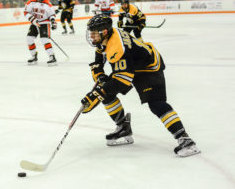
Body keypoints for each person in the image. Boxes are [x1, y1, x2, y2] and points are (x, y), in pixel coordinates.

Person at [81, 14, 200, 157]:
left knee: (156, 104)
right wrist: (100, 75)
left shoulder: (117, 47)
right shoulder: (107, 37)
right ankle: (123, 128)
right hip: (132, 65)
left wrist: (97, 95)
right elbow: (99, 58)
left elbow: (123, 80)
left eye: (94, 33)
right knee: (107, 93)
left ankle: (186, 140)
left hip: (148, 66)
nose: (91, 36)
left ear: (104, 32)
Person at [24, 0, 57, 66]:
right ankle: (34, 56)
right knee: (29, 39)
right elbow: (26, 12)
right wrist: (33, 19)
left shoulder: (47, 3)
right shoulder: (31, 2)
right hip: (34, 23)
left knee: (44, 39)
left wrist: (53, 22)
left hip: (44, 23)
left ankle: (52, 56)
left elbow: (52, 14)